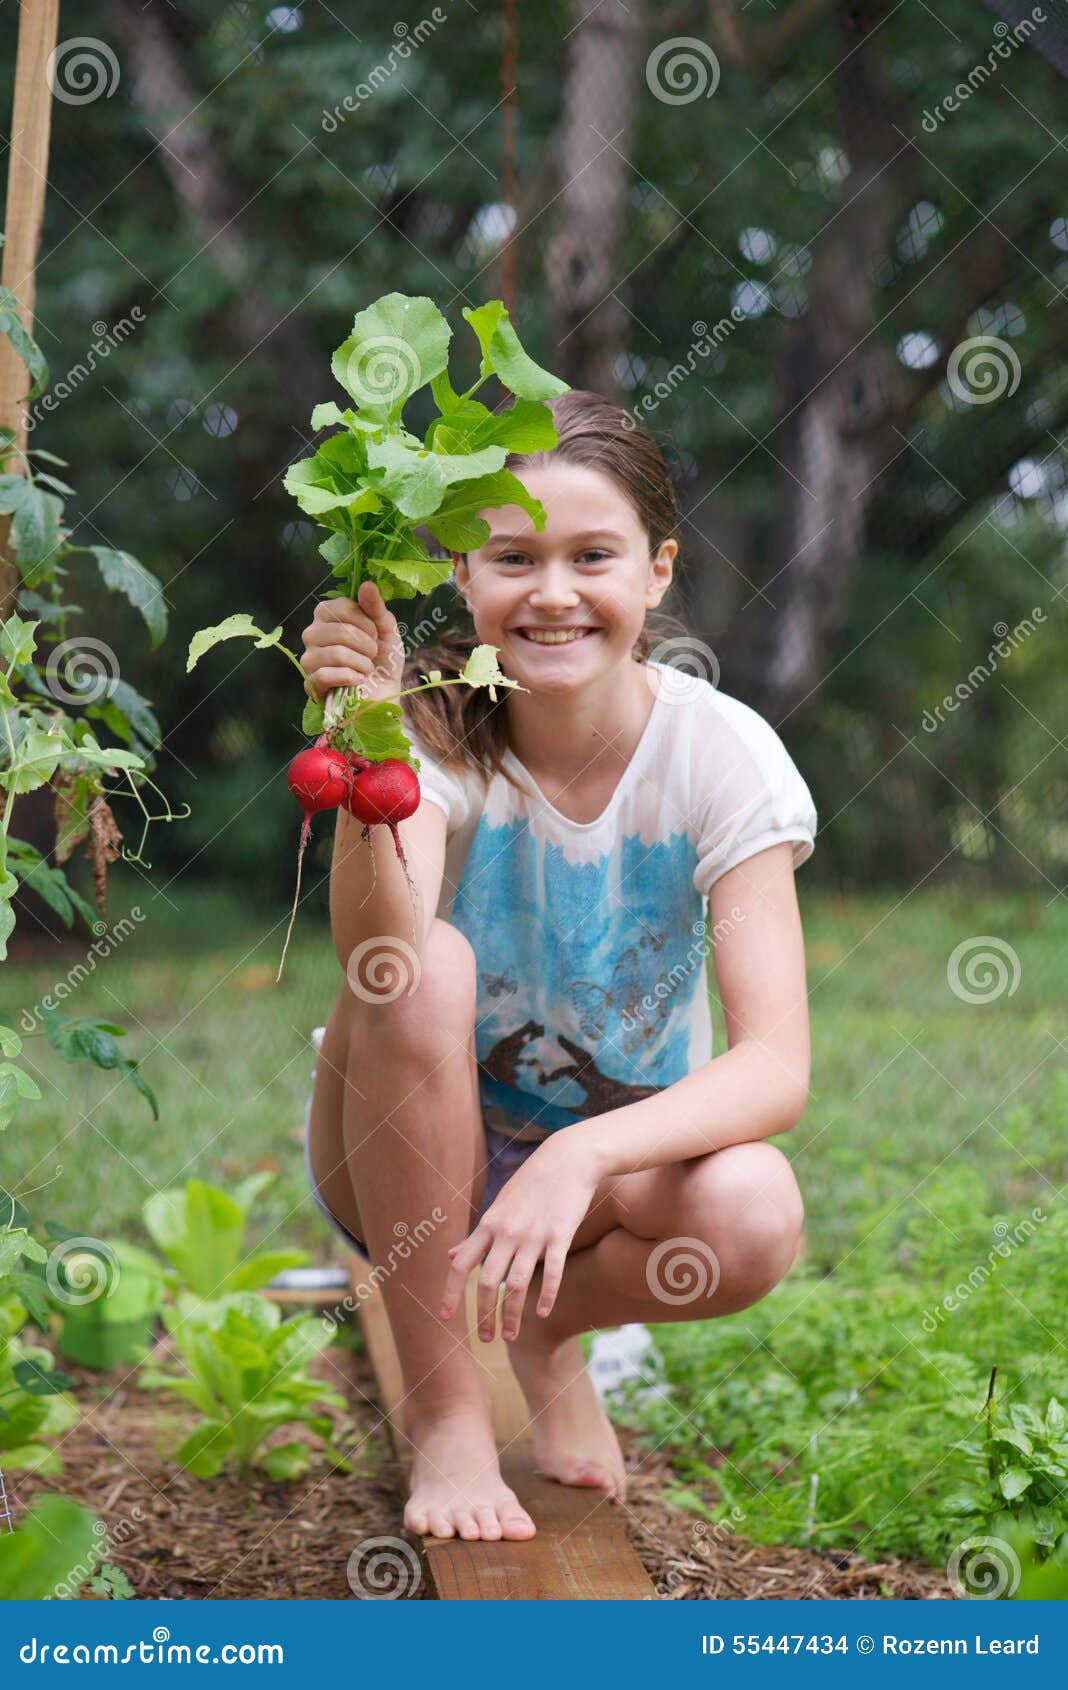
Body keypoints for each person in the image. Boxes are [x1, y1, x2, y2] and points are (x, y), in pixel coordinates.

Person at [300, 389, 817, 1545]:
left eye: (593, 555)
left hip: (587, 1192)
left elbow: (776, 1065)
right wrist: (362, 742)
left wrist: (576, 1154)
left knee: (753, 1207)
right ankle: (447, 1414)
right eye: (513, 556)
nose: (552, 591)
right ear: (463, 572)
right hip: (394, 1162)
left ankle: (538, 1325)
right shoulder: (432, 723)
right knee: (426, 967)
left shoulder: (719, 756)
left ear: (658, 572)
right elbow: (374, 960)